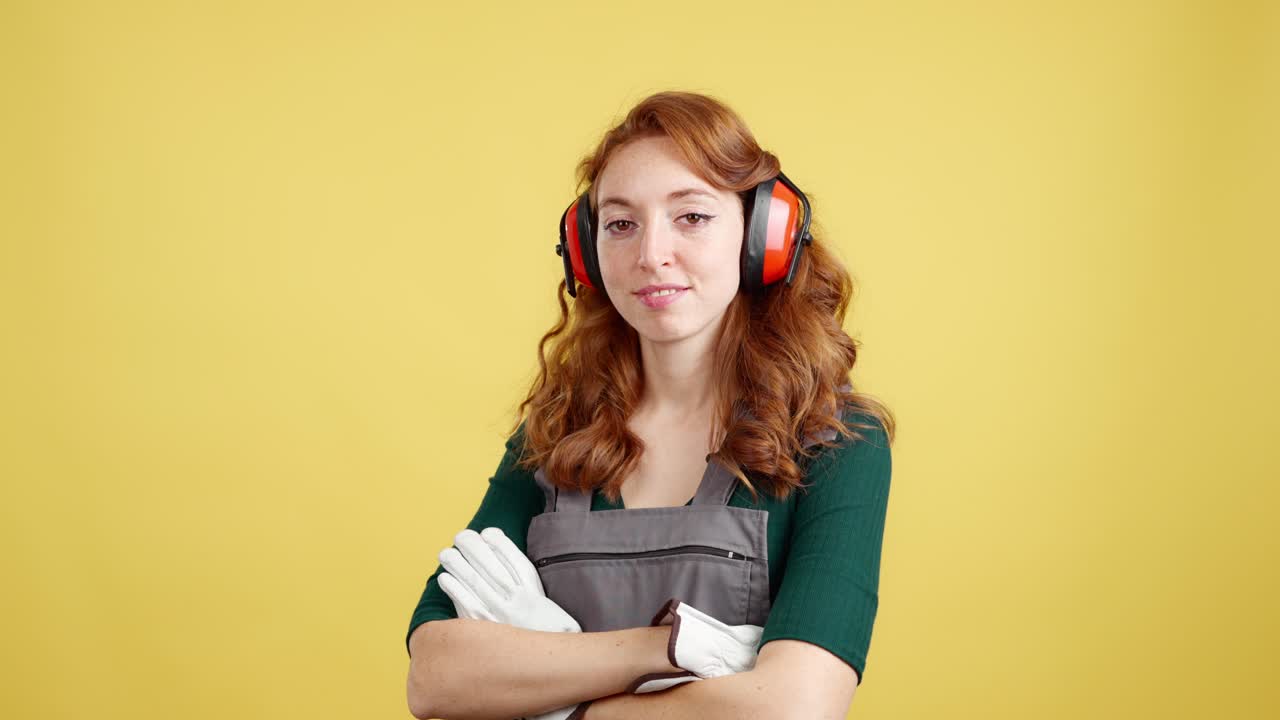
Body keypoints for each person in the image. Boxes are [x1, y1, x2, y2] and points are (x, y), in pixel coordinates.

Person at [405, 90, 895, 720]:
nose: (651, 255)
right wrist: (661, 649)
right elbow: (435, 677)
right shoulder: (554, 436)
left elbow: (793, 706)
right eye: (621, 224)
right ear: (587, 251)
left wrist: (563, 705)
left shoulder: (834, 440)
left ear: (762, 236)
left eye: (691, 216)